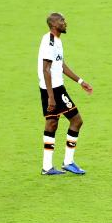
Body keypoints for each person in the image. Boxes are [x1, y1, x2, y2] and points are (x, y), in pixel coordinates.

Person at [37, 12, 93, 175]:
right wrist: (51, 98)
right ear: (54, 24)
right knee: (76, 120)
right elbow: (45, 69)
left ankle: (47, 167)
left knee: (52, 124)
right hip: (53, 89)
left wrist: (81, 82)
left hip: (53, 88)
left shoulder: (57, 41)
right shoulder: (49, 41)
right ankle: (68, 162)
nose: (65, 23)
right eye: (62, 20)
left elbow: (60, 65)